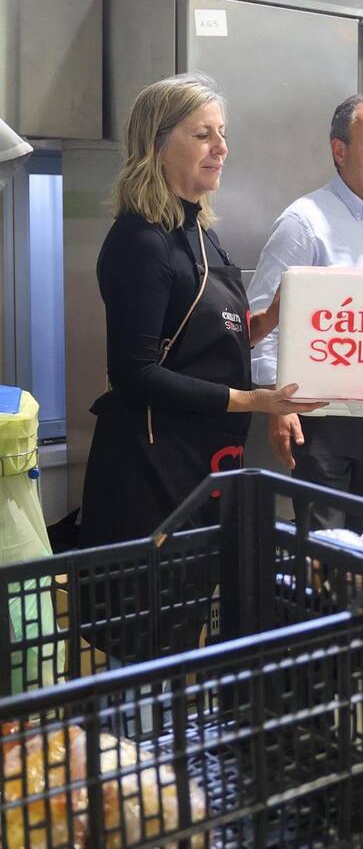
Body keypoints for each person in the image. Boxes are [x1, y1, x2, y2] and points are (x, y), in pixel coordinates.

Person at [80, 73, 320, 551]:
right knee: (154, 600)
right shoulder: (141, 241)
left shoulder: (201, 231)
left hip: (202, 462)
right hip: (149, 472)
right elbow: (135, 374)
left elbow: (204, 343)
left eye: (222, 134)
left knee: (198, 594)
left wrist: (270, 319)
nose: (221, 148)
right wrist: (255, 400)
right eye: (203, 135)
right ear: (157, 145)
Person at [247, 94, 363, 531]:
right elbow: (263, 317)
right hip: (323, 417)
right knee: (325, 547)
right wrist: (277, 405)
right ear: (339, 151)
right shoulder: (304, 221)